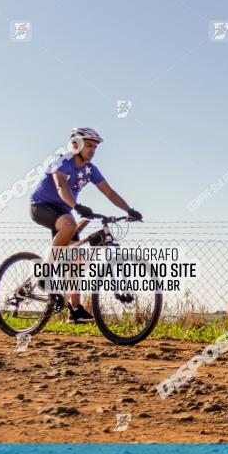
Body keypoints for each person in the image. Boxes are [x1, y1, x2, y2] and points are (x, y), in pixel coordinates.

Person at [29, 127, 142, 323]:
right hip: (41, 205)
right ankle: (45, 274)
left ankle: (75, 309)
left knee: (76, 259)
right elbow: (60, 185)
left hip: (64, 212)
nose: (92, 150)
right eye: (89, 145)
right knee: (69, 223)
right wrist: (77, 206)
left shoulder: (90, 170)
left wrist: (129, 210)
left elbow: (109, 192)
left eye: (95, 147)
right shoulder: (62, 160)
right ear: (77, 145)